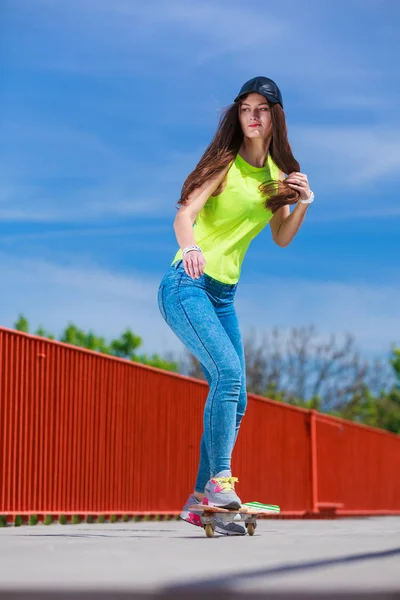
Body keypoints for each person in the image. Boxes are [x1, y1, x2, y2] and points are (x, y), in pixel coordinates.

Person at [157, 76, 314, 535]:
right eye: (245, 107)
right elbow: (184, 214)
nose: (252, 115)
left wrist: (303, 201)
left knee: (237, 395)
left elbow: (282, 238)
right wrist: (189, 248)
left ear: (275, 117)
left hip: (223, 295)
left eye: (261, 109)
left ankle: (199, 500)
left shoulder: (276, 178)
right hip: (186, 284)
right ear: (237, 115)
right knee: (226, 375)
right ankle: (220, 484)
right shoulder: (224, 165)